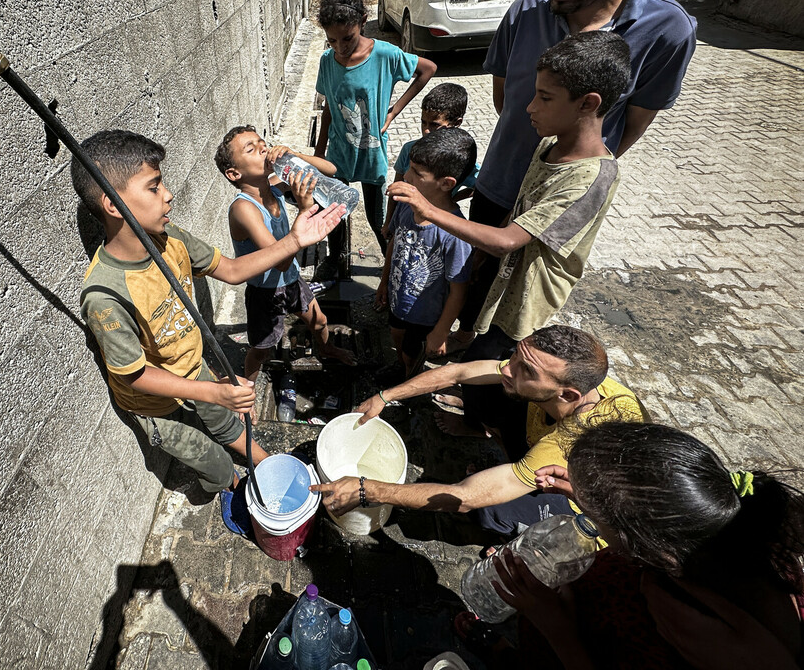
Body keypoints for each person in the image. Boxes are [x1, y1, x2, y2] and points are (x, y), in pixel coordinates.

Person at [455, 0, 697, 352]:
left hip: (556, 205)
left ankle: (486, 396)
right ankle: (458, 360)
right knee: (470, 287)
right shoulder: (526, 11)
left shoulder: (668, 30)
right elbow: (507, 101)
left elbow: (627, 130)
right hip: (500, 184)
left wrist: (568, 179)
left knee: (516, 311)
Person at [72, 129, 343, 534]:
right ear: (113, 205)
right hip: (154, 404)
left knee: (229, 425)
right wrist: (216, 391)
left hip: (192, 370)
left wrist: (294, 240)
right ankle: (233, 487)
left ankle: (267, 466)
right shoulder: (104, 294)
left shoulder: (170, 238)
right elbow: (134, 374)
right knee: (211, 460)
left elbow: (232, 271)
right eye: (154, 186)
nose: (168, 195)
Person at [389, 31, 630, 436]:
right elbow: (520, 215)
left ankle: (486, 427)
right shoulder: (548, 146)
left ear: (588, 104)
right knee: (484, 347)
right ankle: (473, 402)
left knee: (508, 367)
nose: (530, 107)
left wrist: (427, 208)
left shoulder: (591, 178)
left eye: (546, 98)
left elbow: (510, 240)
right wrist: (484, 252)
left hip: (527, 295)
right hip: (505, 277)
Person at [488, 422, 804, 669]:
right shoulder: (731, 529)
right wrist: (592, 498)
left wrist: (554, 624)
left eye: (591, 511)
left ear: (637, 543)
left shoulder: (684, 619)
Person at [311, 326, 646, 540]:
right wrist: (385, 397)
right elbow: (458, 372)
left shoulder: (579, 440)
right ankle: (504, 456)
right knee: (488, 386)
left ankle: (524, 527)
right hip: (539, 440)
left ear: (569, 395)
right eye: (516, 356)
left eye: (525, 370)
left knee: (489, 513)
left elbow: (464, 498)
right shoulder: (556, 385)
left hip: (585, 513)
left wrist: (369, 490)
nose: (508, 368)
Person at [312, 0, 437, 276]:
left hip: (371, 154)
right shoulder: (326, 62)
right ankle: (335, 259)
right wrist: (319, 152)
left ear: (363, 22)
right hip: (338, 154)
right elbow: (329, 104)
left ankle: (390, 263)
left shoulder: (384, 54)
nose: (340, 47)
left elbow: (428, 69)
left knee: (378, 215)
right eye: (332, 40)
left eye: (348, 38)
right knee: (334, 208)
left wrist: (393, 112)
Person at [213, 126, 355, 381]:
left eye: (262, 143)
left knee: (320, 322)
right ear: (234, 173)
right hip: (265, 291)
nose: (263, 149)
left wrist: (296, 155)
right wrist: (304, 210)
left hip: (291, 279)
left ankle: (326, 349)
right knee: (261, 349)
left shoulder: (275, 188)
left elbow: (331, 170)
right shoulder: (244, 209)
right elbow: (280, 261)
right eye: (251, 149)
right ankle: (247, 392)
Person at [377, 128, 476, 382]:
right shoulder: (406, 205)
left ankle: (410, 380)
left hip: (426, 316)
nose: (406, 177)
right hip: (398, 300)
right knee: (396, 336)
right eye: (409, 169)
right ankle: (402, 368)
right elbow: (394, 242)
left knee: (413, 353)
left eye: (417, 174)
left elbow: (459, 290)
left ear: (446, 183)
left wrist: (442, 331)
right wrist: (384, 280)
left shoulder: (455, 233)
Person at [382, 82, 473, 241]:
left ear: (456, 123)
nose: (426, 130)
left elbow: (479, 187)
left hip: (436, 229)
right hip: (404, 218)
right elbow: (397, 189)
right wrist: (388, 221)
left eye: (434, 125)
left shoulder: (461, 160)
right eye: (423, 122)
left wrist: (454, 199)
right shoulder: (409, 150)